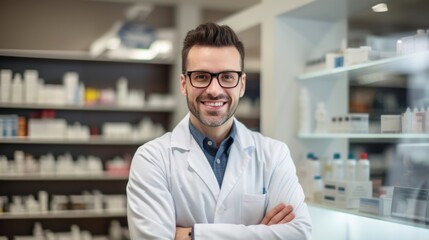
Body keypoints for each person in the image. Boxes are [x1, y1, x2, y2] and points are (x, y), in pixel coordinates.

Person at [126, 22, 312, 239]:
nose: (214, 90)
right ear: (184, 84)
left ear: (241, 84)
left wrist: (192, 235)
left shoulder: (274, 155)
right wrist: (262, 232)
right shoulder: (152, 159)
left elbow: (299, 233)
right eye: (202, 77)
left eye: (227, 77)